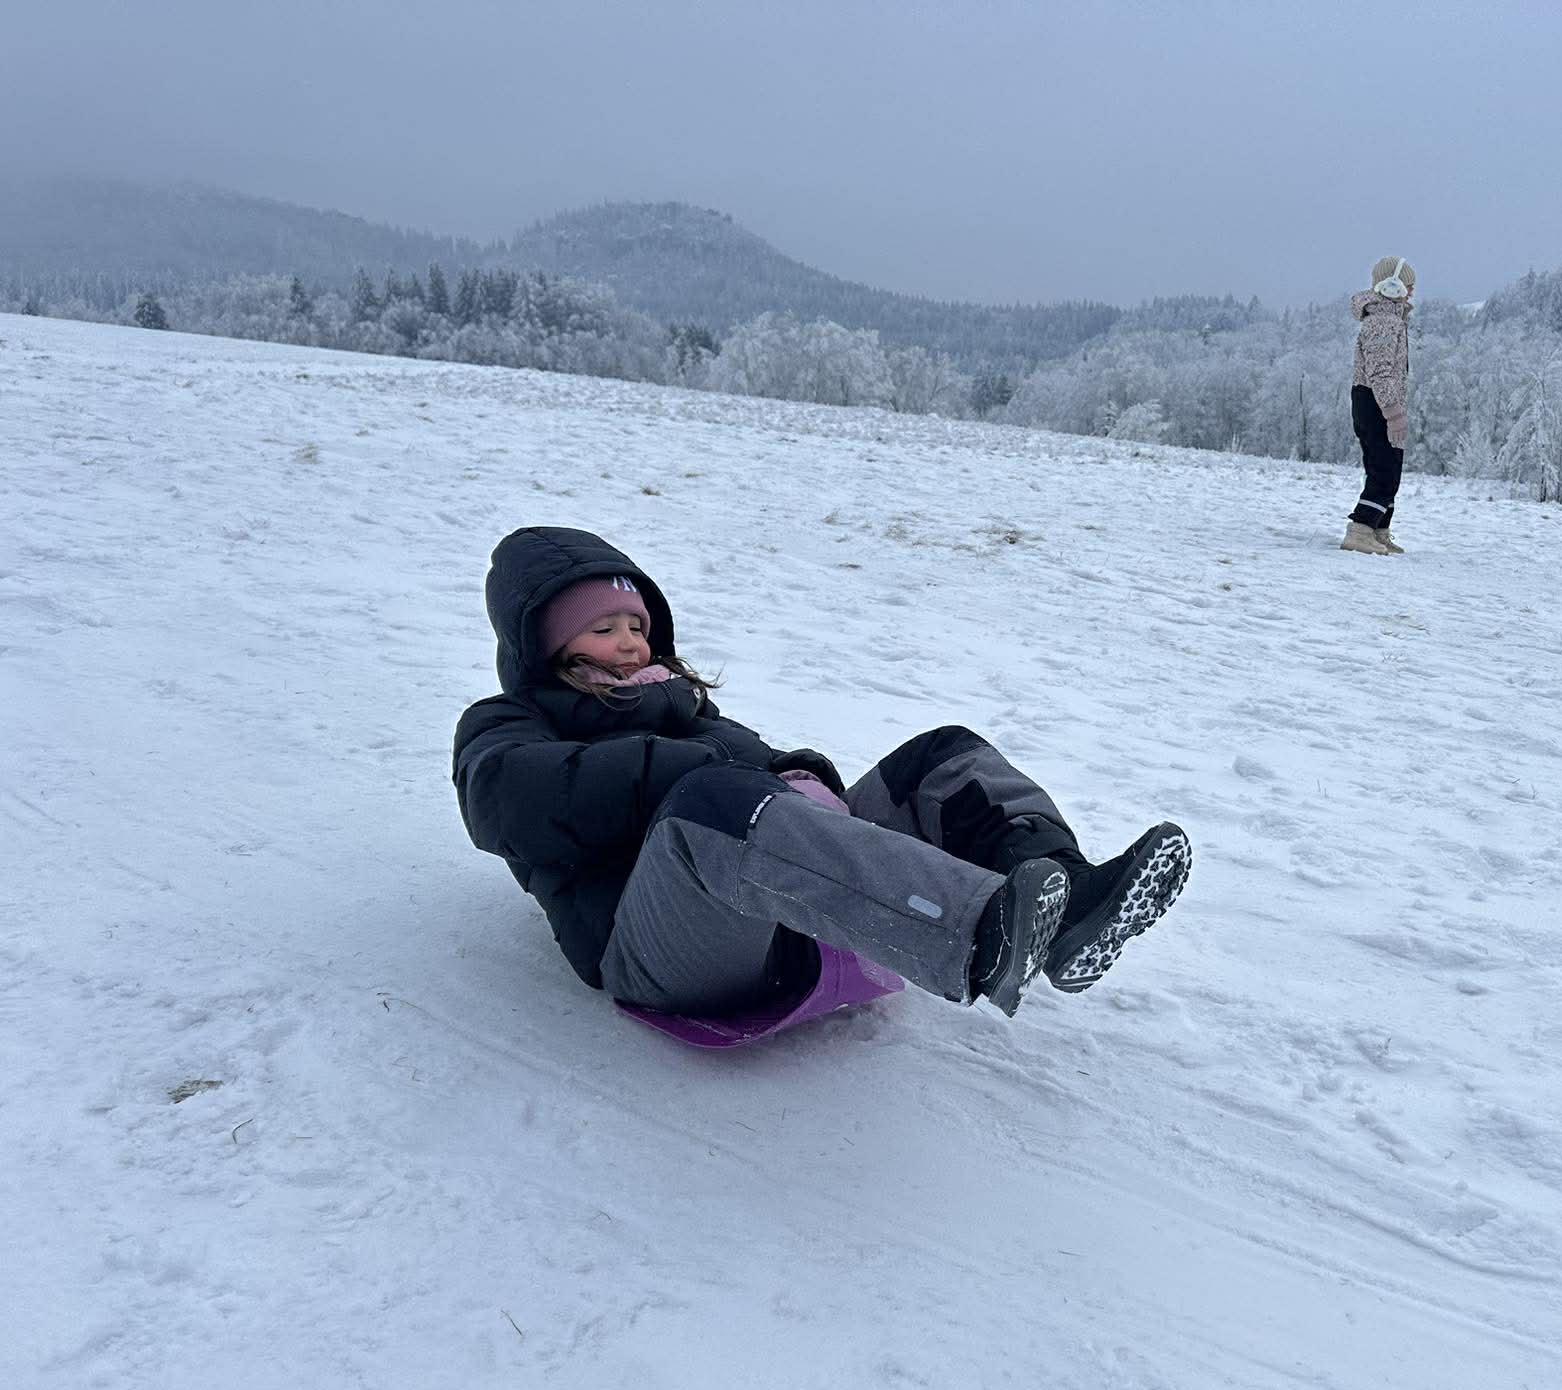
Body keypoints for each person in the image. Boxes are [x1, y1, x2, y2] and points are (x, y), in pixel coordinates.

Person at [453, 527, 1192, 1031]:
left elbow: (762, 767)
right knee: (713, 803)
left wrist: (801, 778)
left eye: (637, 626)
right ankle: (981, 932)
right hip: (658, 951)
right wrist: (712, 771)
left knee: (939, 759)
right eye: (602, 628)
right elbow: (510, 802)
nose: (628, 644)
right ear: (546, 644)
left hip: (783, 919)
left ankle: (1068, 905)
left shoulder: (683, 707)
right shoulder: (510, 723)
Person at [1342, 256, 1416, 555]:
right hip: (1375, 401)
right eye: (1408, 284)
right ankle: (1360, 530)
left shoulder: (1392, 319)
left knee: (1389, 467)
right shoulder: (1383, 321)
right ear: (1392, 286)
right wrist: (1393, 412)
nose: (1412, 290)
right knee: (1384, 468)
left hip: (1378, 401)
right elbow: (1380, 371)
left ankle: (1378, 530)